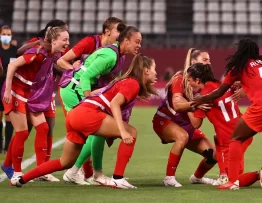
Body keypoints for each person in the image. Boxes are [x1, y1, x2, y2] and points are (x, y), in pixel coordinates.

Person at [10, 54, 158, 189]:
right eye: (153, 69)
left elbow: (97, 94)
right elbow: (114, 104)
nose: (156, 73)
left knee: (65, 162)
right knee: (132, 131)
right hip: (87, 114)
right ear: (145, 70)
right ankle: (117, 178)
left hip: (76, 114)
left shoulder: (126, 81)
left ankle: (21, 179)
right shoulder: (133, 83)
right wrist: (123, 131)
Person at [193, 38, 262, 190]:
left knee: (236, 139)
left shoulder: (238, 66)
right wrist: (244, 84)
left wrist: (201, 98)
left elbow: (219, 92)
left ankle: (232, 182)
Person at [61, 26, 141, 186]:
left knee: (98, 133)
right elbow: (85, 77)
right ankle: (73, 171)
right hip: (76, 89)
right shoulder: (110, 56)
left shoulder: (120, 57)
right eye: (137, 42)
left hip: (85, 91)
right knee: (94, 132)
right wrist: (90, 102)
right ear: (126, 41)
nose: (139, 45)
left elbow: (114, 84)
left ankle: (95, 174)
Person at [0, 26, 69, 181]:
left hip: (28, 92)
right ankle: (17, 173)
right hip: (15, 90)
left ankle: (35, 170)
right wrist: (7, 90)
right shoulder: (38, 53)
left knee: (41, 128)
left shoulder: (52, 54)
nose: (67, 43)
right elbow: (12, 65)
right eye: (64, 39)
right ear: (54, 40)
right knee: (22, 132)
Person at [186, 63, 260, 187]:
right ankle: (222, 175)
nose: (188, 84)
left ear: (197, 80)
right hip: (245, 129)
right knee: (217, 138)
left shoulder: (203, 97)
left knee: (234, 180)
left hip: (231, 139)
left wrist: (188, 107)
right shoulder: (222, 85)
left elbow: (196, 124)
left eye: (189, 80)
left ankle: (260, 174)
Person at [152, 48, 217, 188]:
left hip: (186, 127)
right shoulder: (180, 79)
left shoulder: (205, 85)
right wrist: (196, 105)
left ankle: (197, 178)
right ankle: (169, 178)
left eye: (210, 60)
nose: (209, 63)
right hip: (165, 120)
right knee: (182, 137)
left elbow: (195, 124)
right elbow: (176, 104)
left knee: (214, 155)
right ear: (194, 62)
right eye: (205, 60)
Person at [0, 25, 17, 154]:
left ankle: (7, 148)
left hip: (10, 86)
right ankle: (0, 146)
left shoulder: (15, 51)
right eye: (4, 34)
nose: (6, 36)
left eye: (8, 34)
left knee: (9, 117)